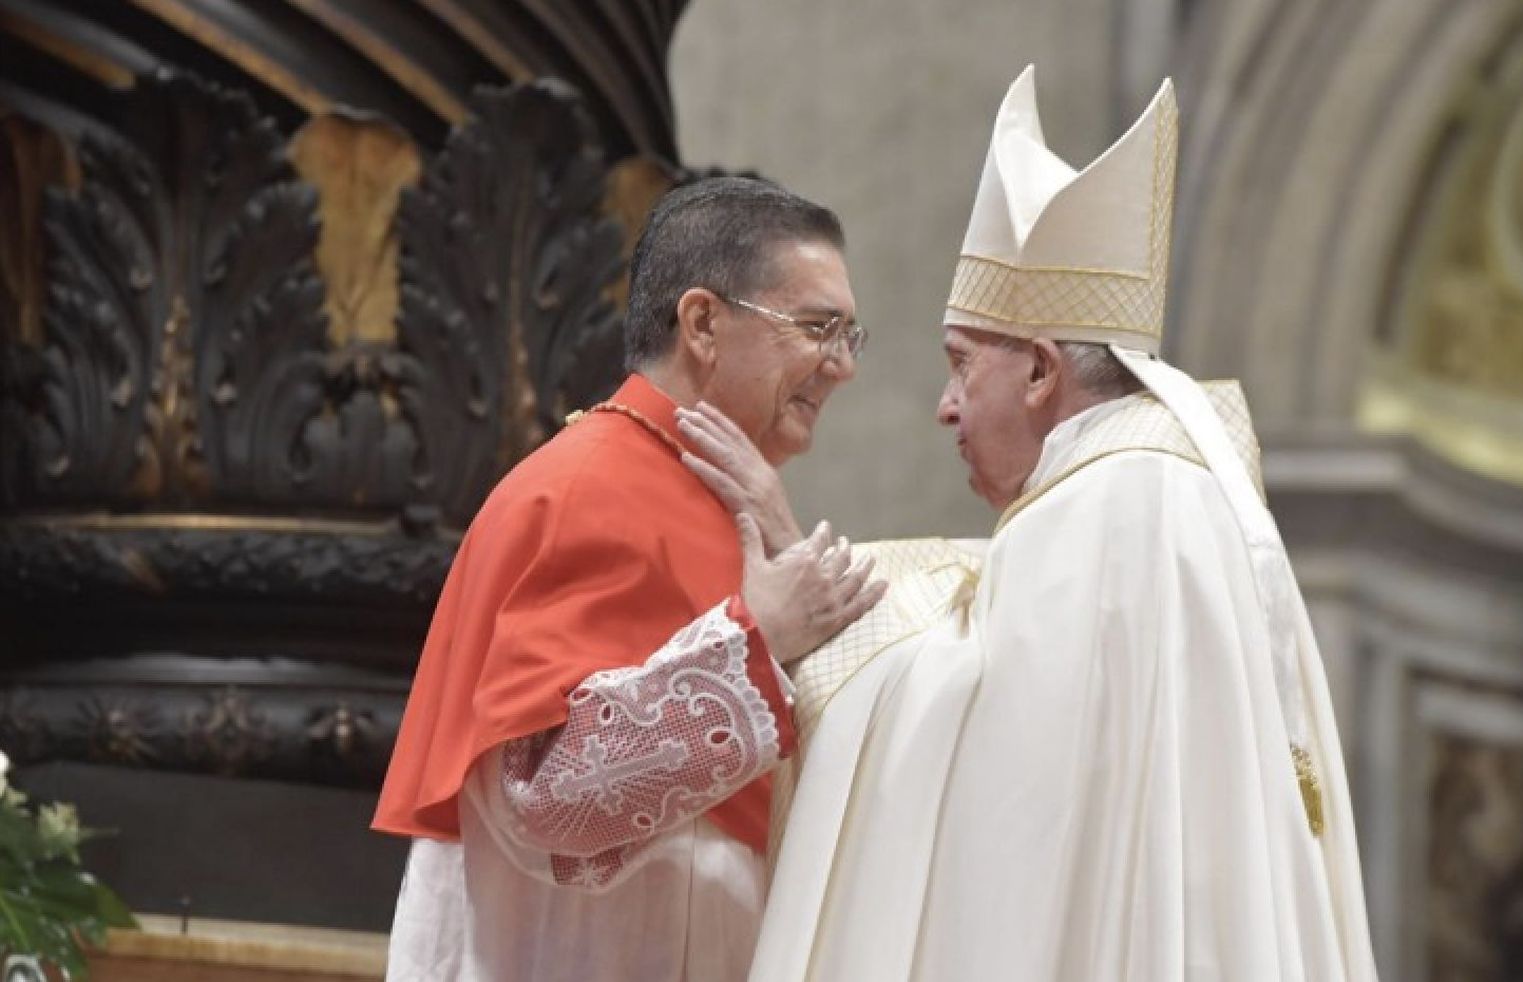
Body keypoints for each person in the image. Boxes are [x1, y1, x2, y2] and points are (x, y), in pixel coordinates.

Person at [682, 69, 1379, 980]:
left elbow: (990, 769)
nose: (945, 407)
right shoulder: (1158, 491)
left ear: (1044, 374)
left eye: (962, 365)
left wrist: (787, 561)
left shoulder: (1116, 502)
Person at [371, 175, 886, 982]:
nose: (842, 367)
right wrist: (759, 645)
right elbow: (548, 794)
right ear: (703, 323)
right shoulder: (591, 489)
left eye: (853, 336)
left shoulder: (712, 494)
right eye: (818, 328)